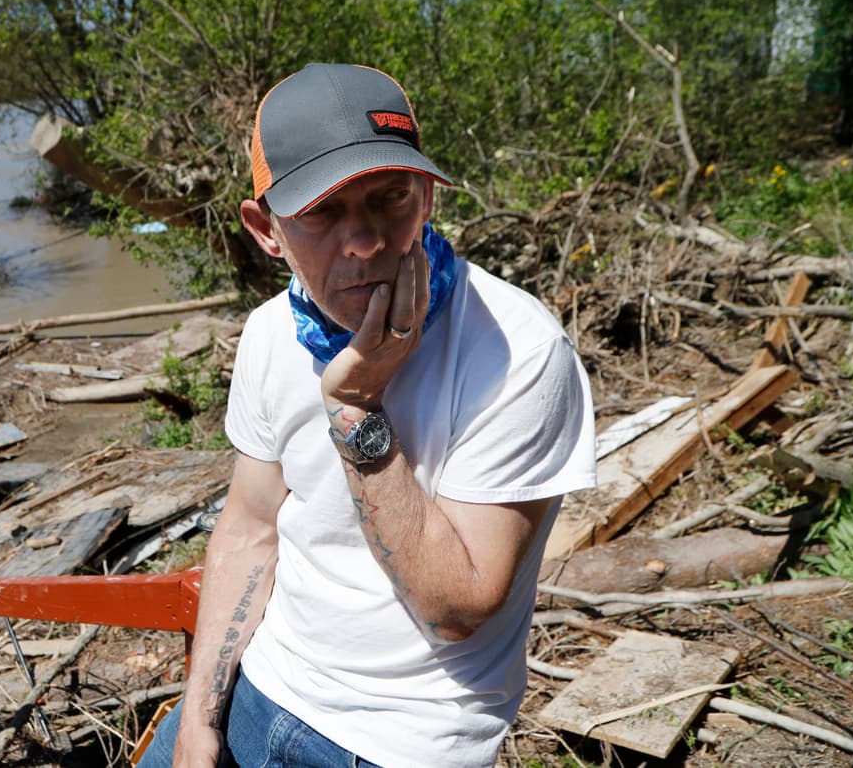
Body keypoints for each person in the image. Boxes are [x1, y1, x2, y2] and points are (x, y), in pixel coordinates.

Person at [139, 63, 596, 768]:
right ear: (266, 230)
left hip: (401, 739)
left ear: (427, 198)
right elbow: (251, 526)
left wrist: (356, 407)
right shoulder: (269, 334)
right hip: (262, 683)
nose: (364, 241)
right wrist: (200, 717)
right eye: (322, 212)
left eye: (390, 197)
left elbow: (458, 607)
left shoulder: (517, 351)